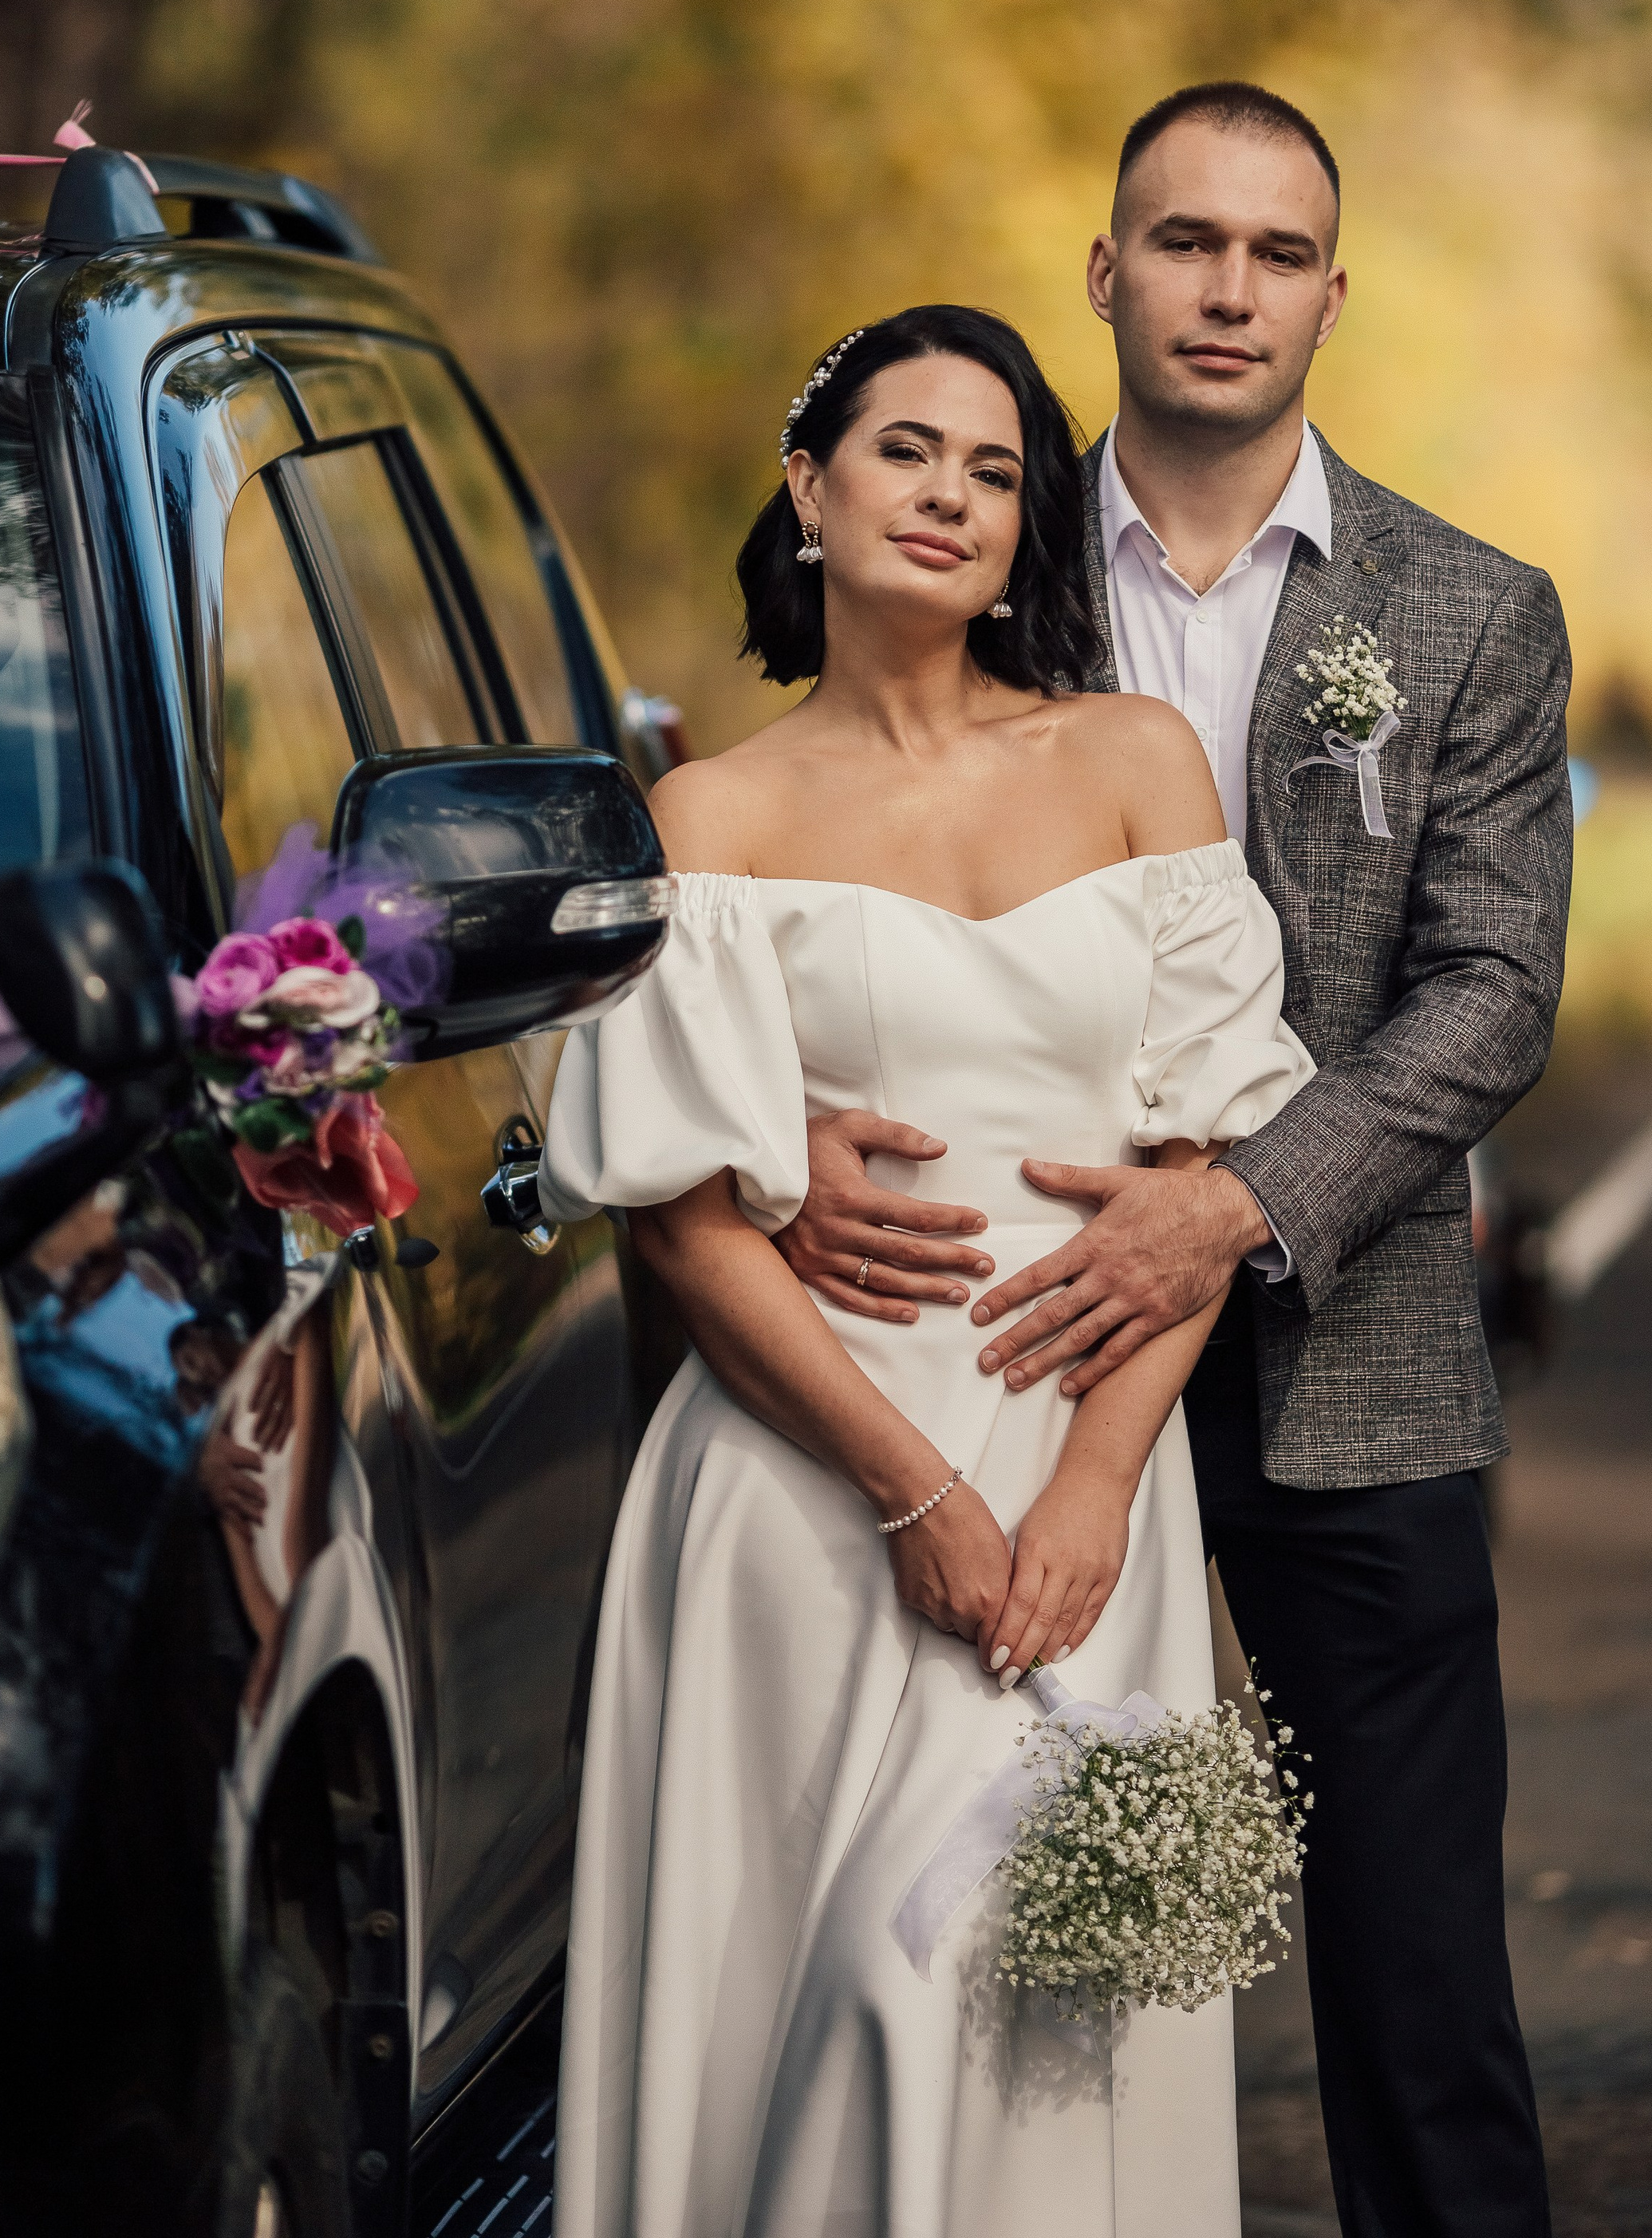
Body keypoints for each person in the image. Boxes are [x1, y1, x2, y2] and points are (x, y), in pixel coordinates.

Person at [779, 85, 1570, 2237]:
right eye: (1186, 240)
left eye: (1278, 251)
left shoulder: (1470, 612)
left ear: (1334, 291)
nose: (1231, 288)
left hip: (1356, 1353)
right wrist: (790, 1127)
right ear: (1105, 272)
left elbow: (1493, 992)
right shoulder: (966, 546)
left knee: (1418, 1984)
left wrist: (1233, 1204)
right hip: (1005, 1343)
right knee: (975, 1928)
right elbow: (800, 850)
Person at [539, 304, 1317, 2238]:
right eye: (906, 450)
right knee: (823, 1992)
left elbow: (1198, 1167)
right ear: (809, 487)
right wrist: (911, 1484)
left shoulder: (1133, 762)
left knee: (998, 2003)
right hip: (804, 1493)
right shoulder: (705, 820)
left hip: (1072, 1485)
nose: (950, 495)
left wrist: (1090, 1489)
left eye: (991, 468)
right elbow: (682, 1219)